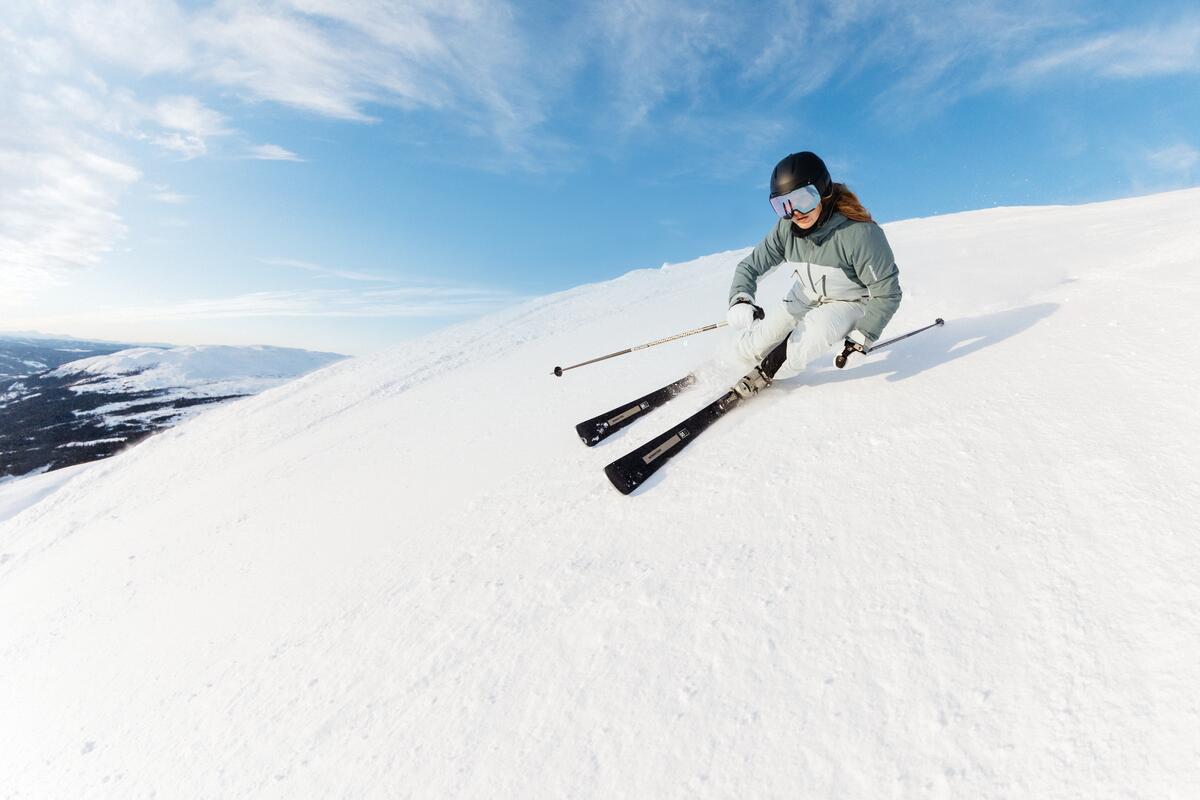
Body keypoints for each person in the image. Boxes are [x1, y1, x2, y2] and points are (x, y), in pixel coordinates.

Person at [726, 151, 902, 380]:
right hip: (804, 295)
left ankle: (765, 376)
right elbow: (750, 267)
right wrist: (740, 298)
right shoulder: (786, 230)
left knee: (810, 337)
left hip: (848, 302)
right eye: (783, 205)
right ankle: (729, 364)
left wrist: (863, 337)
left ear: (822, 191)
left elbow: (887, 292)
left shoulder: (860, 234)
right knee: (758, 341)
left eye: (803, 200)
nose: (795, 213)